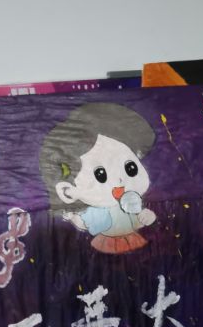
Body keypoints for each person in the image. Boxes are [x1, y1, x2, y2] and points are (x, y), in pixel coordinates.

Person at [40, 102, 157, 254]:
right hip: (107, 244)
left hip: (134, 240)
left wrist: (146, 216)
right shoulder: (97, 211)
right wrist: (73, 217)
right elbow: (85, 223)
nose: (119, 181)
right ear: (68, 191)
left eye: (131, 168)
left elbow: (138, 221)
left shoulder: (132, 202)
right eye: (100, 175)